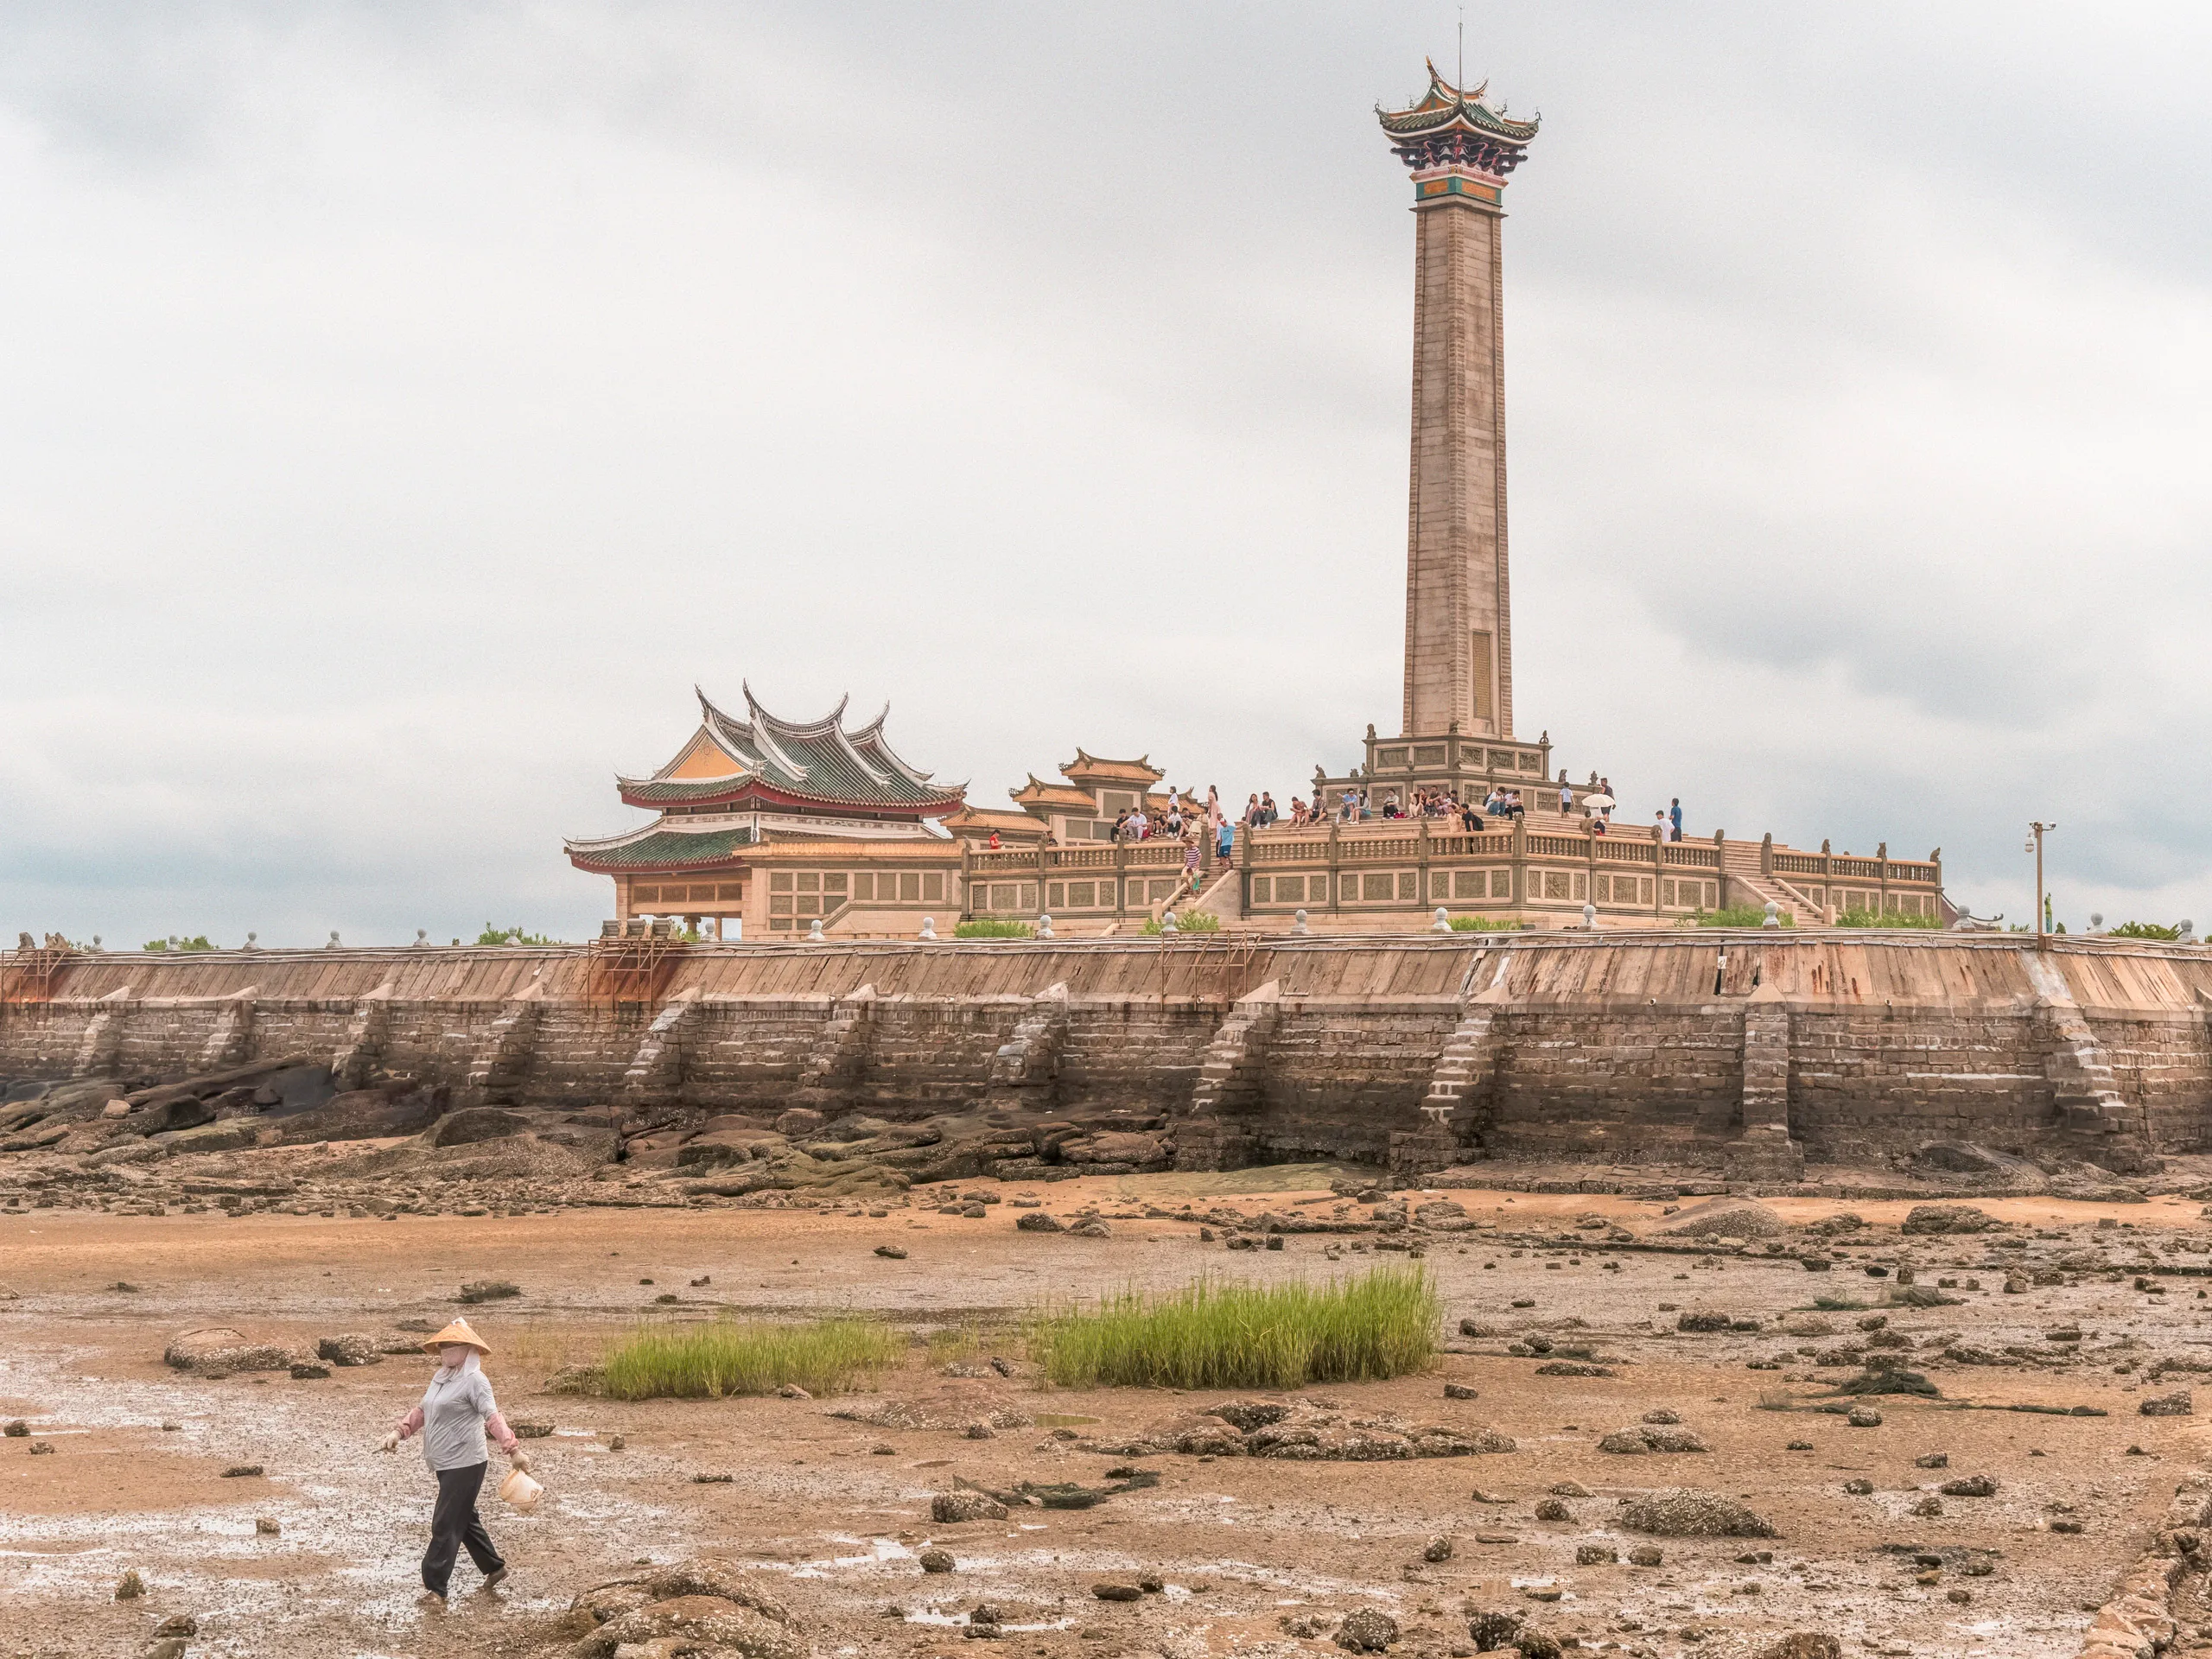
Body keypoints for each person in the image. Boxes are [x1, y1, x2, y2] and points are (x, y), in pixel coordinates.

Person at [383, 1317, 523, 1606]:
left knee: (445, 1523)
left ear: (467, 1347)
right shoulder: (442, 1376)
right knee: (464, 1518)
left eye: (451, 1344)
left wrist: (513, 1451)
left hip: (467, 1462)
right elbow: (424, 1409)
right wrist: (399, 1431)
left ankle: (436, 1590)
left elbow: (492, 1417)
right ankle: (495, 1568)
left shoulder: (475, 1380)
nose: (445, 1349)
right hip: (444, 1462)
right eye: (443, 1344)